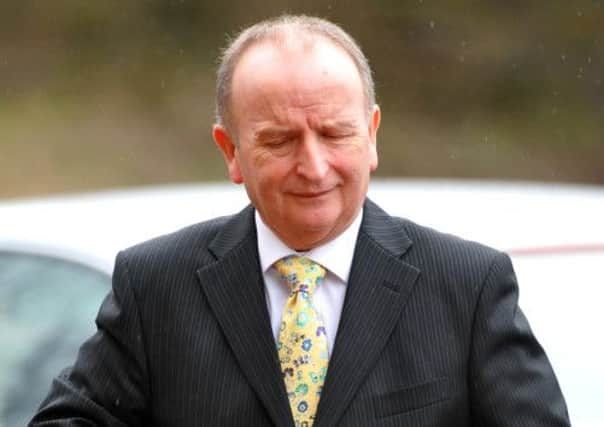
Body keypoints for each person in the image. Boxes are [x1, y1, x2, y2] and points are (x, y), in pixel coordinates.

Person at [31, 15, 570, 426]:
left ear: (372, 134)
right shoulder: (156, 286)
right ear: (231, 152)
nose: (313, 167)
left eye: (335, 134)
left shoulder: (467, 286)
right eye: (280, 140)